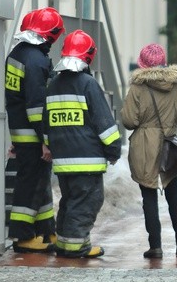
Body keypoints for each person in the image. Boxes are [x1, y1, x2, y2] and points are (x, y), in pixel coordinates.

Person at [42, 30, 122, 258]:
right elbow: (104, 124)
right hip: (87, 162)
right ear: (88, 56)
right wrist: (113, 150)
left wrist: (49, 146)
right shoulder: (88, 84)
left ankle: (65, 244)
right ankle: (77, 247)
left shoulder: (53, 86)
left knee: (69, 203)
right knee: (86, 203)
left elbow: (46, 124)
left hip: (63, 162)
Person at [121, 43, 177, 259]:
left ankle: (155, 246)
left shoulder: (137, 88)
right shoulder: (176, 86)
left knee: (149, 194)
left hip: (144, 144)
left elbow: (129, 120)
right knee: (174, 194)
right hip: (168, 143)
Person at [5, 7, 64, 253]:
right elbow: (37, 106)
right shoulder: (37, 60)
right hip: (33, 134)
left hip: (21, 131)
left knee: (39, 184)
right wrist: (46, 139)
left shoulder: (17, 54)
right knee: (30, 185)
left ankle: (46, 231)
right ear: (49, 34)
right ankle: (23, 237)